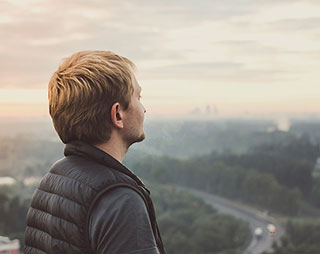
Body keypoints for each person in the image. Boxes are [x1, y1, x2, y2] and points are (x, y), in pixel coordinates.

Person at [24, 51, 166, 254]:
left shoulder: (53, 179)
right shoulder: (120, 199)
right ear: (118, 114)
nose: (144, 109)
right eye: (138, 97)